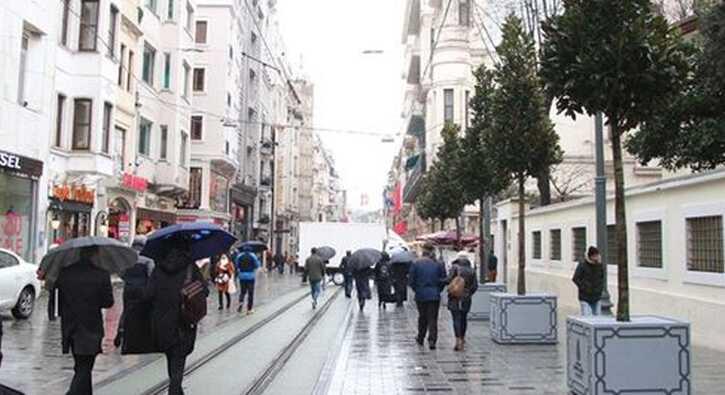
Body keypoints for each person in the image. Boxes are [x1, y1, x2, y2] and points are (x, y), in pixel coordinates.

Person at [142, 237, 208, 395]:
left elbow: (148, 295)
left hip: (162, 321)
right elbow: (204, 291)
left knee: (171, 356)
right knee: (179, 359)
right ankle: (174, 389)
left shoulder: (159, 268)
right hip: (184, 320)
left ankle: (176, 389)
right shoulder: (190, 268)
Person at [55, 246, 114, 395]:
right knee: (84, 368)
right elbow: (108, 302)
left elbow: (59, 299)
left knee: (81, 365)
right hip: (91, 326)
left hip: (71, 325)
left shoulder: (66, 272)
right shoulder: (101, 274)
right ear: (95, 254)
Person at [115, 236, 155, 348]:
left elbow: (120, 273)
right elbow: (151, 275)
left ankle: (122, 329)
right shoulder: (148, 260)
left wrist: (128, 280)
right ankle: (139, 333)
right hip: (142, 289)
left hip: (128, 288)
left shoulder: (127, 260)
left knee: (126, 310)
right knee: (142, 310)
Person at [408, 243, 447, 350]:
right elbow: (444, 280)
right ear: (433, 251)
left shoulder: (416, 263)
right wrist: (437, 290)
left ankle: (421, 337)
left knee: (422, 317)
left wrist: (417, 290)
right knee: (433, 318)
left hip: (421, 294)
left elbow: (411, 281)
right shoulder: (439, 264)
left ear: (423, 251)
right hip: (434, 295)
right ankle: (432, 341)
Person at [447, 251, 478, 351]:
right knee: (463, 318)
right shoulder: (472, 270)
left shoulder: (454, 268)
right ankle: (463, 338)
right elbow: (475, 286)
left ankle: (458, 340)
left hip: (454, 297)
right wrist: (468, 293)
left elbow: (449, 281)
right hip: (466, 298)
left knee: (456, 318)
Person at [573, 246, 605, 316]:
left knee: (598, 318)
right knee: (587, 317)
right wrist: (584, 287)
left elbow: (602, 278)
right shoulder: (582, 265)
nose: (596, 257)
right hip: (585, 297)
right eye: (594, 256)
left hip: (597, 296)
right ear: (590, 256)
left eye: (597, 255)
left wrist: (600, 289)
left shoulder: (599, 265)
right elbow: (575, 278)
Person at [235, 246, 261, 314]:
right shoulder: (253, 256)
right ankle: (249, 309)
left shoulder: (239, 256)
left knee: (242, 291)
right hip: (250, 276)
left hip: (242, 276)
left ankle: (241, 302)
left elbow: (237, 265)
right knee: (250, 293)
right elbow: (257, 265)